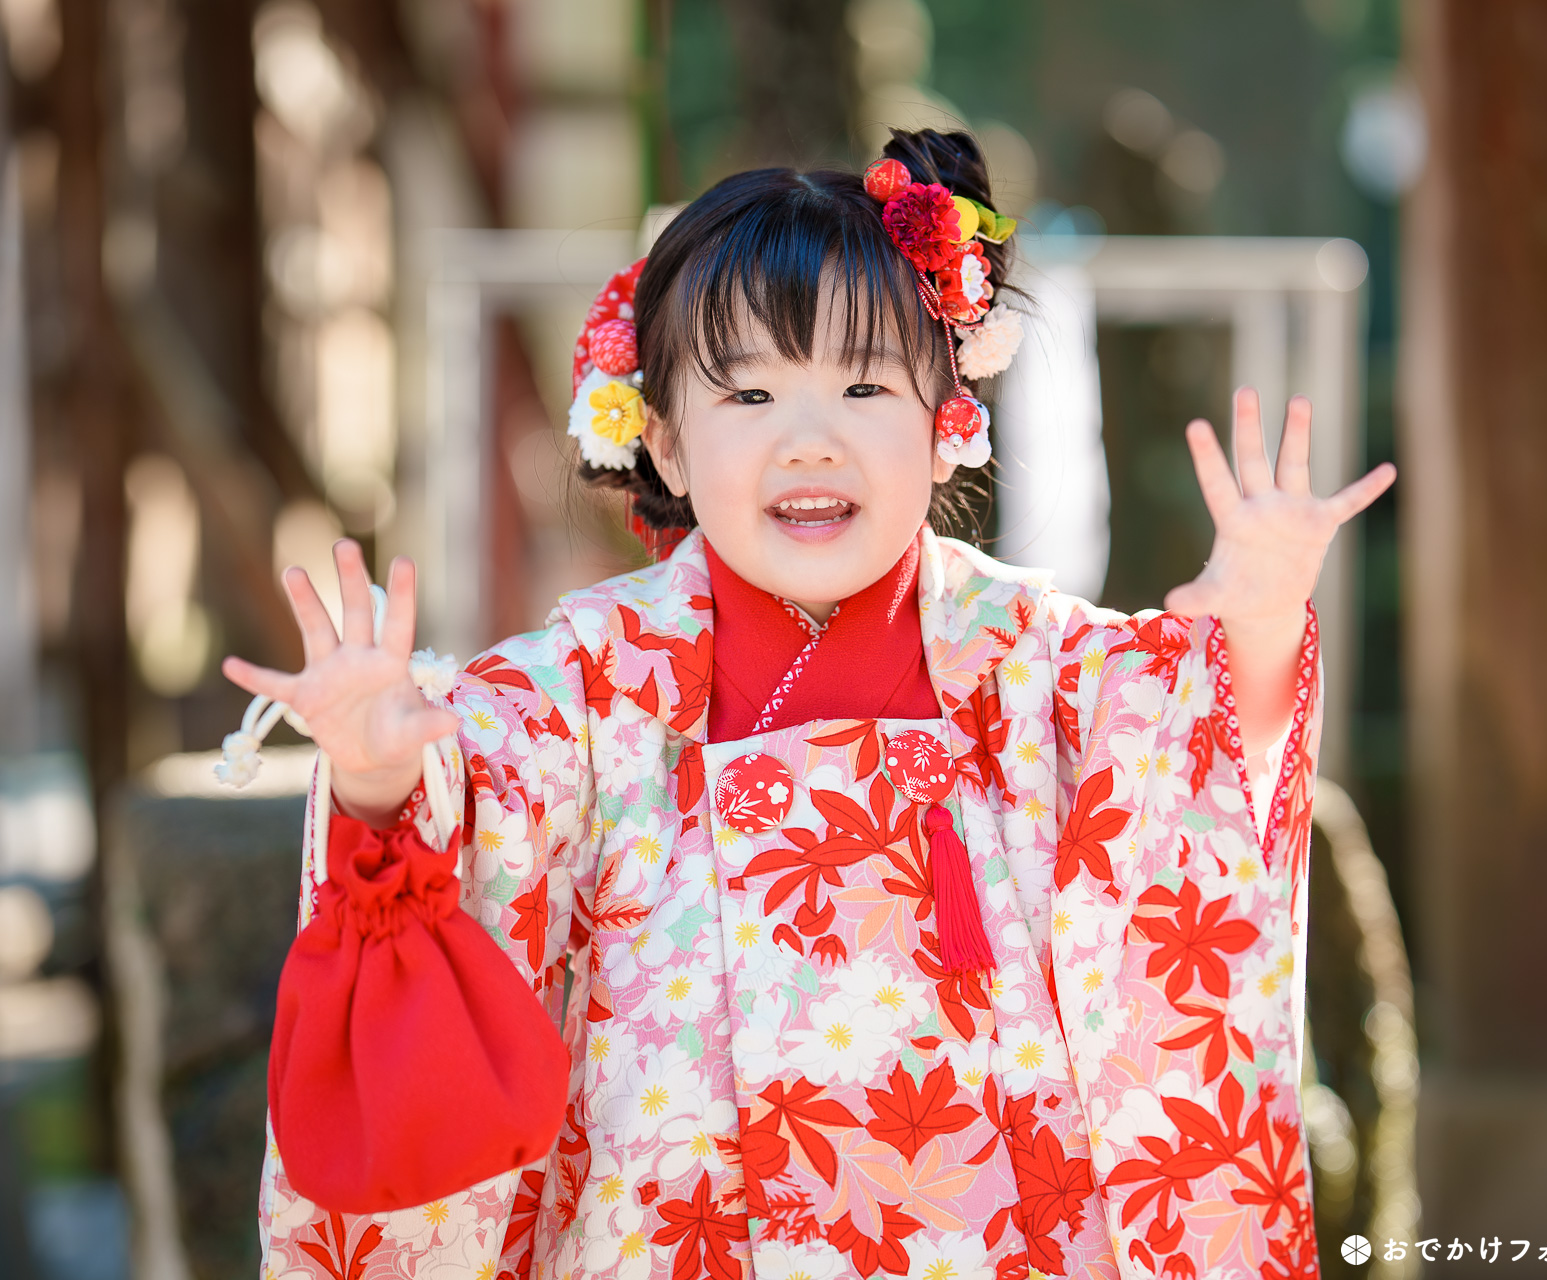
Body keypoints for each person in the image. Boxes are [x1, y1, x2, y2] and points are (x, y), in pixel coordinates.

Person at [228, 128, 1394, 1280]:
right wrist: (382, 773)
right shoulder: (588, 681)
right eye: (747, 393)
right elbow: (466, 813)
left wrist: (1251, 617)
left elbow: (1189, 768)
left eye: (863, 382)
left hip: (993, 1228)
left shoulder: (1033, 662)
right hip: (680, 1213)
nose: (809, 438)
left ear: (948, 421)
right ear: (665, 441)